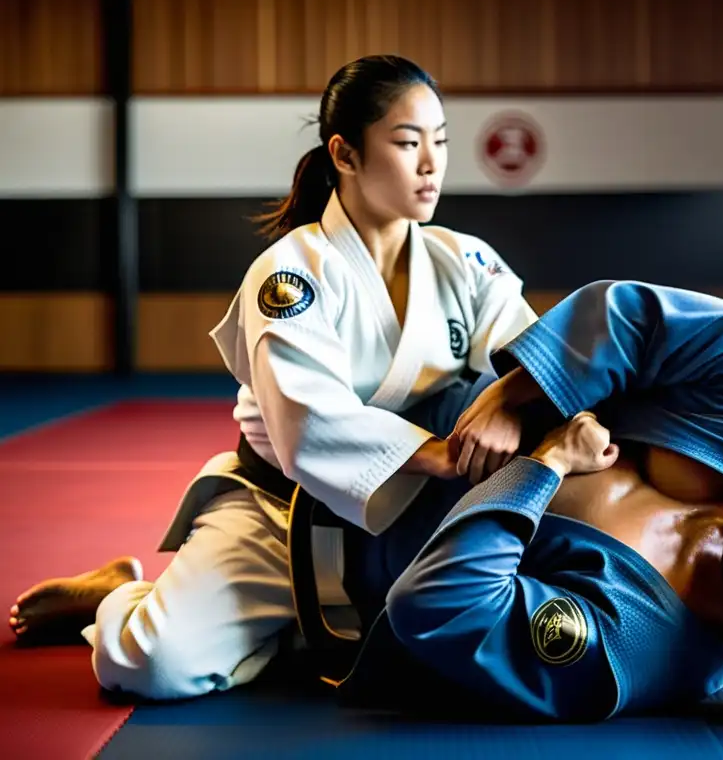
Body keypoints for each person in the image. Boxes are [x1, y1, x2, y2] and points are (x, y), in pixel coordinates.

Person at [7, 54, 537, 695]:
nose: (432, 163)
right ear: (345, 154)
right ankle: (121, 595)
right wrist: (446, 452)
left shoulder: (468, 262)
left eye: (441, 141)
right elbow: (307, 425)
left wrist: (512, 400)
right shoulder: (293, 275)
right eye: (406, 142)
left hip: (413, 517)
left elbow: (532, 358)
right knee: (148, 665)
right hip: (278, 512)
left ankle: (287, 628)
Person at [294, 280, 723, 723]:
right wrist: (516, 396)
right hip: (411, 382)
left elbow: (435, 604)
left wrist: (546, 466)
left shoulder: (635, 651)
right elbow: (632, 318)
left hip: (327, 533)